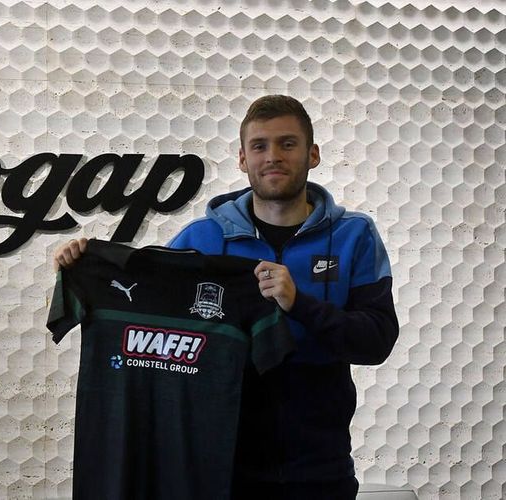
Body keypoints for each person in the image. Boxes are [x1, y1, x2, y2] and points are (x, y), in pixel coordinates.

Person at [53, 95, 399, 500]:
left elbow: (377, 340)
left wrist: (299, 304)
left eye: (287, 144)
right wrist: (86, 267)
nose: (273, 156)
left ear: (313, 154)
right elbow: (148, 305)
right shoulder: (202, 239)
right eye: (260, 146)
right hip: (218, 467)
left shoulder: (354, 235)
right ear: (242, 159)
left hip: (320, 467)